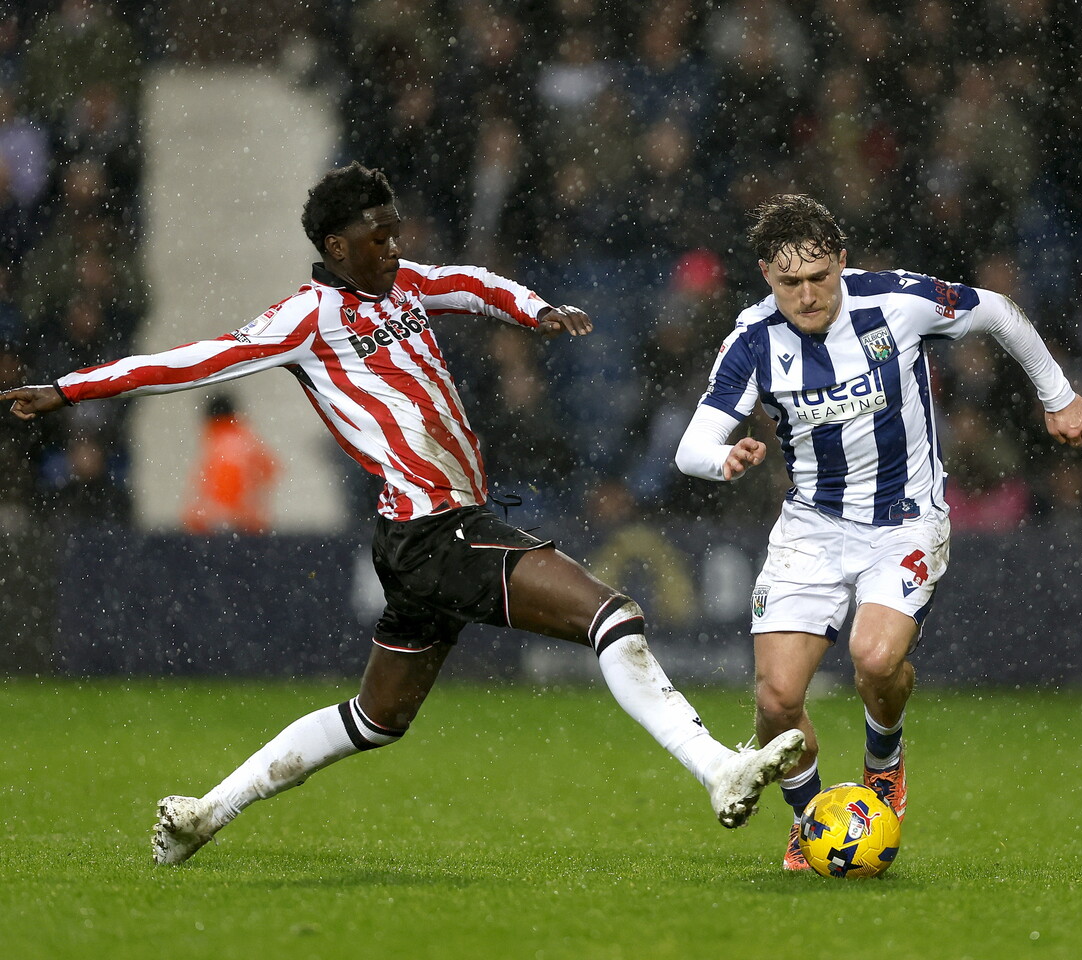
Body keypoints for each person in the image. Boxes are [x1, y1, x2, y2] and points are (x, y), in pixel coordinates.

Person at [2, 162, 804, 865]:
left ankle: (204, 814)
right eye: (378, 238)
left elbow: (474, 284)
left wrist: (537, 310)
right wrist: (69, 389)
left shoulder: (409, 284)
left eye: (396, 233)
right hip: (434, 527)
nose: (394, 249)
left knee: (378, 717)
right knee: (613, 615)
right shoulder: (305, 320)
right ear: (335, 247)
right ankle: (715, 767)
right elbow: (192, 360)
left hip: (425, 533)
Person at [674, 194, 1082, 870]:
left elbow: (993, 308)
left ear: (842, 261)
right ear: (765, 276)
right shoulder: (751, 341)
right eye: (790, 283)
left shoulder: (895, 302)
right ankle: (812, 818)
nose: (808, 296)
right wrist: (722, 460)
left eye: (820, 277)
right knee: (777, 700)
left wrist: (1058, 394)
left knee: (875, 659)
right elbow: (689, 445)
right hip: (810, 529)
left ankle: (884, 760)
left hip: (904, 520)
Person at [180, 393, 280, 535]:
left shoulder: (221, 442)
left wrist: (197, 516)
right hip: (252, 524)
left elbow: (224, 488)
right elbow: (271, 470)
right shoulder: (248, 438)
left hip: (224, 527)